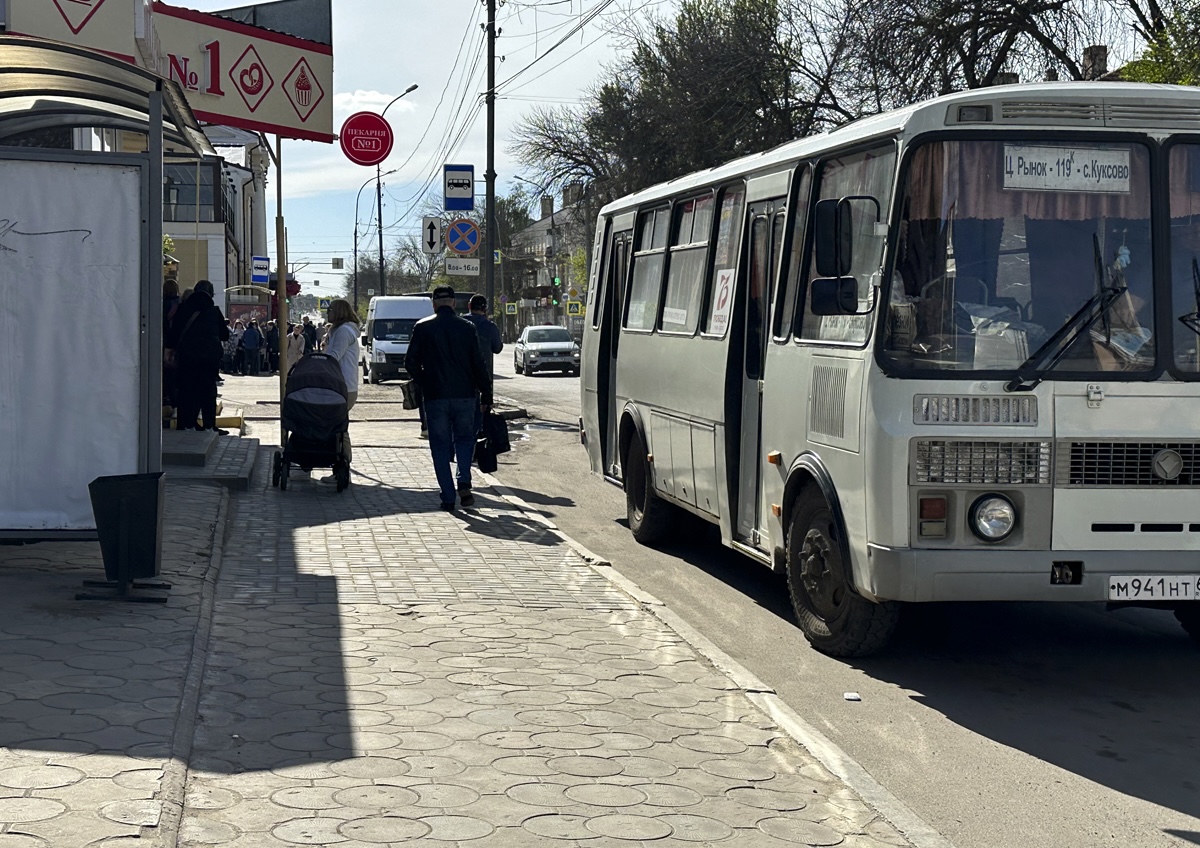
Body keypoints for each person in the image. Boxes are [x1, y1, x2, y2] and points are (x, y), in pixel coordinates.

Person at [405, 285, 492, 511]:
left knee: (440, 446)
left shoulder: (423, 327)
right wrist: (486, 395)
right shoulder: (467, 327)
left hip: (435, 396)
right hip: (465, 395)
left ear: (433, 304)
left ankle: (447, 496)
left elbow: (410, 363)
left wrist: (425, 380)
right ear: (454, 303)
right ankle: (463, 480)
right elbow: (478, 364)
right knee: (464, 439)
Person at [166, 279, 229, 432]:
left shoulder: (182, 308)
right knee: (207, 392)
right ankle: (209, 424)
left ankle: (184, 423)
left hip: (186, 358)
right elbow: (225, 335)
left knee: (186, 390)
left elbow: (174, 334)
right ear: (211, 293)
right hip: (209, 361)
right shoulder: (213, 311)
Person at [320, 300, 362, 483]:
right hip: (343, 385)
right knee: (339, 425)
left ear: (338, 312)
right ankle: (341, 465)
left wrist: (316, 362)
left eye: (329, 310)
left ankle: (342, 466)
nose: (327, 313)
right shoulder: (342, 330)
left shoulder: (344, 331)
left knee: (339, 426)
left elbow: (334, 356)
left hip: (341, 385)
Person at [463, 294, 504, 434]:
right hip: (484, 377)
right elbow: (497, 348)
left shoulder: (460, 323)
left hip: (462, 374)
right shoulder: (489, 326)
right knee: (481, 415)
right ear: (485, 309)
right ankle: (478, 444)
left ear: (469, 306)